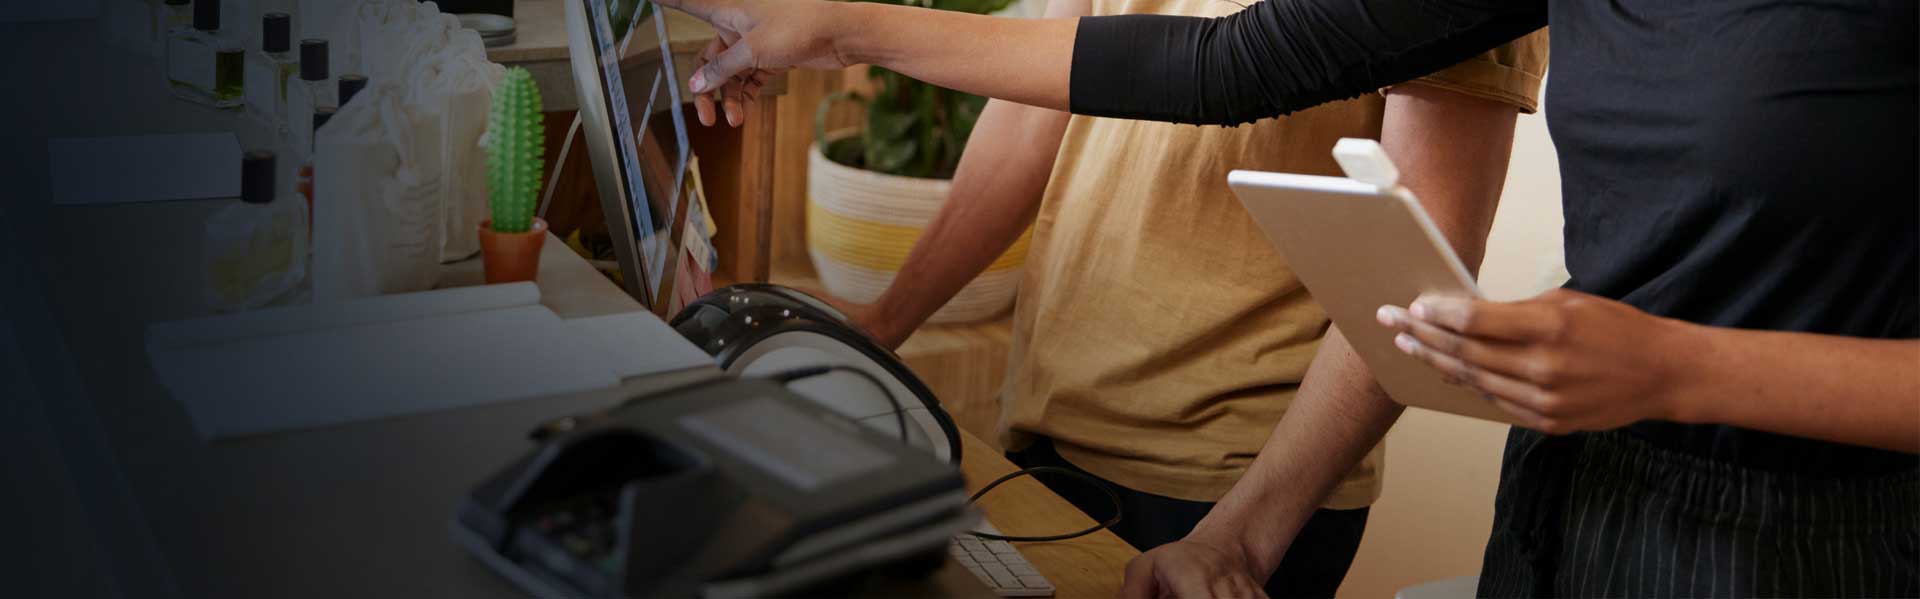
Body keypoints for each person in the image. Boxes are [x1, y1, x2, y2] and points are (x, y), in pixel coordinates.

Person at [657, 0, 1920, 596]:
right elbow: (1230, 62)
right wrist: (847, 29)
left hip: (1827, 538)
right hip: (1577, 503)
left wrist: (1676, 368)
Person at [783, 0, 1545, 595]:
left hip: (1229, 482)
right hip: (1051, 423)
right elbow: (1034, 106)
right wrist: (884, 323)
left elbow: (1415, 266)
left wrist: (1240, 538)